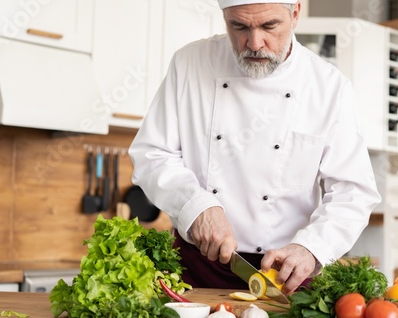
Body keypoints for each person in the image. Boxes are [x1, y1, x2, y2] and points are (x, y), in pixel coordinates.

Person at [129, 0, 381, 295]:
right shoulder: (190, 63)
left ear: (295, 14)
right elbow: (152, 154)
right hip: (196, 270)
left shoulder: (328, 87)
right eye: (239, 26)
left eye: (269, 26)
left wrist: (311, 248)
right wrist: (196, 206)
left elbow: (354, 192)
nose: (254, 42)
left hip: (287, 277)